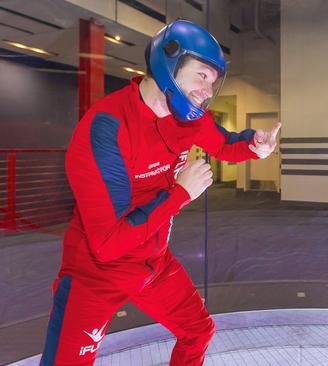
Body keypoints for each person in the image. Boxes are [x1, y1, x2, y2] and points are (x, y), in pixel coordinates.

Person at [40, 20, 280, 365]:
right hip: (95, 272)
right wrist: (181, 194)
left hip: (153, 261)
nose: (208, 92)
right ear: (170, 62)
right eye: (202, 76)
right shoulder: (107, 127)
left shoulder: (188, 118)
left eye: (213, 82)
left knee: (198, 331)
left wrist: (255, 147)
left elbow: (225, 144)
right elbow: (108, 244)